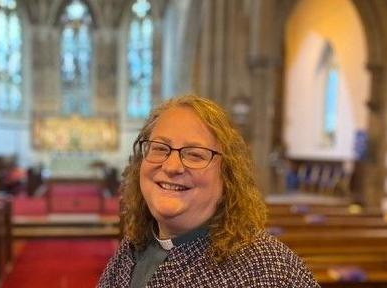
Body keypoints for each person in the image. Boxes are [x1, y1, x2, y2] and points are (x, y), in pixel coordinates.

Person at [98, 95, 320, 287]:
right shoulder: (135, 246)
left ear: (228, 177)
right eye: (160, 148)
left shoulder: (270, 270)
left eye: (195, 154)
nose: (171, 166)